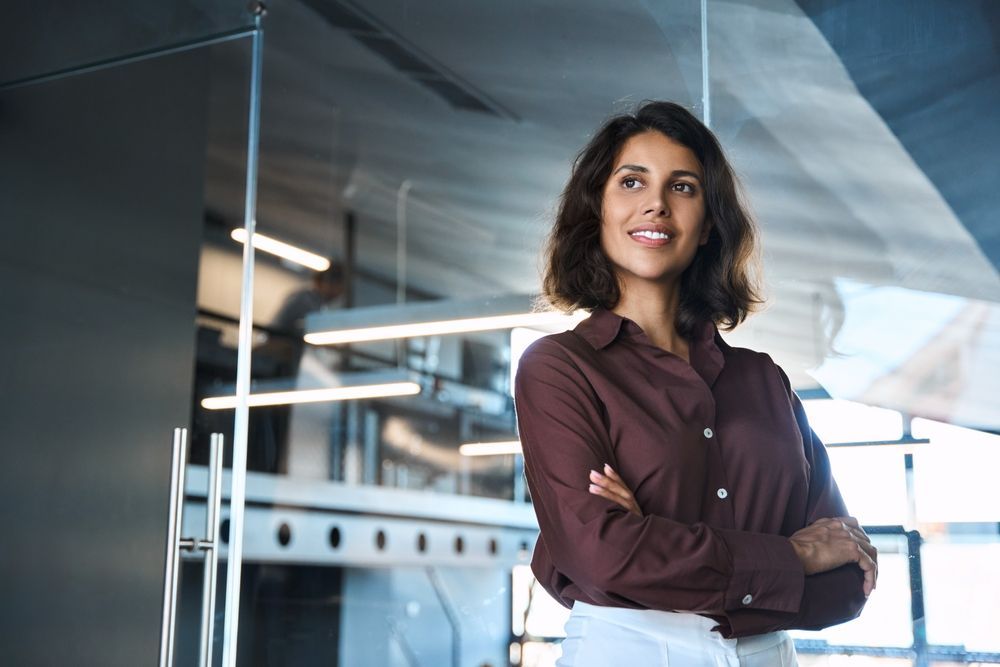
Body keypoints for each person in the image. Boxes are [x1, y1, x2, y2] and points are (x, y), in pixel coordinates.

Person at [513, 101, 878, 666]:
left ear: (708, 223)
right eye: (632, 182)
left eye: (682, 187)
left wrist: (654, 546)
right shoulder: (560, 368)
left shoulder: (765, 381)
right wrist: (794, 558)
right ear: (598, 211)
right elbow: (601, 557)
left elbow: (848, 582)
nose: (656, 202)